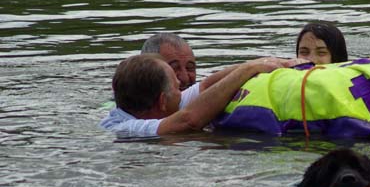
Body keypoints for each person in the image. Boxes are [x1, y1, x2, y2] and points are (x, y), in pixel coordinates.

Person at [100, 54, 299, 137]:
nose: (183, 92)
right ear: (162, 101)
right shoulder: (125, 130)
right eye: (178, 89)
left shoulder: (146, 108)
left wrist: (272, 63)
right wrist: (247, 71)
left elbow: (206, 86)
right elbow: (189, 120)